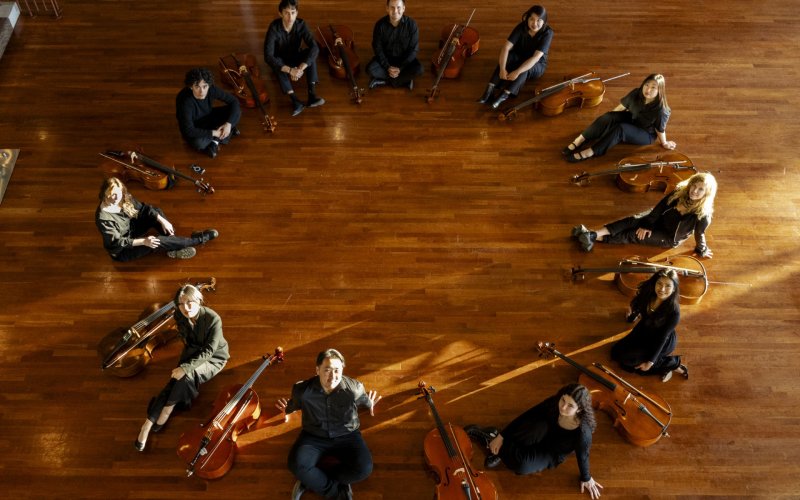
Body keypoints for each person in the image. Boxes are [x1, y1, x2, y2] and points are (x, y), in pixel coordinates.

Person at [465, 384, 603, 499]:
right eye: (563, 400)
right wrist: (502, 435)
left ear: (580, 409)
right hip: (541, 431)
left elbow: (583, 455)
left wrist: (586, 477)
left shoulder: (583, 433)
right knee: (534, 427)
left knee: (522, 466)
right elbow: (528, 414)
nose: (563, 407)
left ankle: (492, 439)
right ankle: (497, 442)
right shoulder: (555, 403)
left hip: (551, 451)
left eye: (570, 406)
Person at [135, 284, 230, 451]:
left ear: (199, 300)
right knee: (174, 380)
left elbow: (209, 350)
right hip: (192, 353)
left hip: (214, 358)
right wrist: (184, 364)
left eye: (190, 302)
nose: (186, 308)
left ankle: (167, 410)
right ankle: (147, 424)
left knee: (186, 375)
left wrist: (185, 368)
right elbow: (186, 340)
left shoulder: (213, 318)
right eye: (181, 304)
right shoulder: (180, 315)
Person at [277, 348, 381, 500]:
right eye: (327, 370)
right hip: (313, 435)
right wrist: (286, 411)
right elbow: (294, 404)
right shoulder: (302, 390)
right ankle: (337, 493)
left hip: (348, 435)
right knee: (296, 464)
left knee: (364, 468)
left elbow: (363, 400)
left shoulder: (354, 388)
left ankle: (312, 480)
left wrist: (369, 403)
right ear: (317, 370)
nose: (333, 376)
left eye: (337, 370)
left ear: (342, 369)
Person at [571, 172, 717, 257]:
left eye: (700, 190)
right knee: (632, 220)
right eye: (694, 186)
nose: (694, 191)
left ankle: (590, 237)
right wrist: (648, 224)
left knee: (633, 235)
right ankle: (591, 235)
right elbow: (660, 207)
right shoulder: (679, 191)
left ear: (707, 194)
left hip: (667, 236)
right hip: (657, 218)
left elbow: (700, 233)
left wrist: (702, 249)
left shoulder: (703, 214)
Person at [95, 177, 218, 261]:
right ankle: (198, 239)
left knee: (155, 212)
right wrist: (144, 241)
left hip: (131, 229)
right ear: (104, 194)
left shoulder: (122, 197)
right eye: (112, 195)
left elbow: (144, 209)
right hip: (122, 250)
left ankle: (173, 246)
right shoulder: (103, 218)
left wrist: (163, 220)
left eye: (119, 193)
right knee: (155, 241)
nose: (117, 198)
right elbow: (118, 242)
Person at [563, 73, 675, 163]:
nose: (648, 90)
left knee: (621, 128)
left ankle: (592, 151)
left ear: (659, 90)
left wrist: (664, 143)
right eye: (647, 85)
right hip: (633, 119)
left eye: (653, 88)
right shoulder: (636, 92)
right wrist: (608, 120)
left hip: (645, 133)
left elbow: (660, 129)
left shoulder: (662, 110)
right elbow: (622, 107)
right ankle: (581, 139)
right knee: (609, 116)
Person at [610, 270, 689, 382]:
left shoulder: (674, 312)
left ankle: (673, 364)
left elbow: (663, 337)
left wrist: (650, 362)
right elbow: (637, 307)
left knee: (628, 365)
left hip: (661, 341)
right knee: (615, 353)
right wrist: (630, 318)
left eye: (667, 286)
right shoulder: (648, 294)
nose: (662, 289)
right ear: (655, 283)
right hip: (644, 329)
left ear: (674, 289)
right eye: (659, 284)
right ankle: (662, 363)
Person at [477, 5, 553, 110]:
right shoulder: (521, 27)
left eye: (539, 20)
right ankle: (489, 90)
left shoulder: (548, 33)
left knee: (525, 70)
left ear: (544, 21)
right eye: (532, 19)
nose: (534, 24)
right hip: (520, 56)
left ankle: (503, 95)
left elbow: (535, 58)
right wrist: (503, 69)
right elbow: (506, 47)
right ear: (527, 18)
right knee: (507, 58)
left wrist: (517, 72)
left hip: (537, 64)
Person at [263, 0, 325, 117]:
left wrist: (301, 68)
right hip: (281, 60)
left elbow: (314, 47)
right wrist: (290, 70)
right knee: (277, 64)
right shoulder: (274, 28)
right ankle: (295, 100)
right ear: (280, 13)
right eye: (286, 13)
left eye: (293, 12)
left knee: (309, 53)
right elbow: (268, 56)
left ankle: (312, 96)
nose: (290, 17)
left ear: (297, 13)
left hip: (296, 57)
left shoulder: (301, 24)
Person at [176, 67, 241, 159]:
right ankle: (222, 137)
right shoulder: (184, 101)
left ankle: (219, 138)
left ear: (209, 85)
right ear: (191, 86)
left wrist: (229, 123)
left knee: (235, 111)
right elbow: (188, 130)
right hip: (195, 127)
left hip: (209, 117)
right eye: (197, 86)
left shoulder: (211, 89)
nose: (202, 91)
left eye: (204, 86)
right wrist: (214, 133)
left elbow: (234, 101)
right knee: (198, 143)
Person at [366, 0, 424, 91]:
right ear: (387, 9)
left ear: (404, 8)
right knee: (370, 69)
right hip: (386, 59)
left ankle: (384, 81)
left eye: (398, 7)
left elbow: (413, 50)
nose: (395, 11)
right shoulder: (379, 25)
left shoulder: (412, 25)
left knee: (419, 69)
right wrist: (387, 67)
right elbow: (377, 48)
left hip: (404, 61)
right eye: (392, 7)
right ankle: (403, 81)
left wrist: (401, 68)